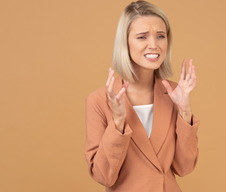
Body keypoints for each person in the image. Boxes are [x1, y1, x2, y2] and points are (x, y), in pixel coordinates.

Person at [85, 1, 200, 191]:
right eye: (142, 37)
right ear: (125, 42)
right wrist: (118, 123)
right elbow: (103, 175)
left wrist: (185, 112)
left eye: (160, 36)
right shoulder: (99, 100)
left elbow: (184, 167)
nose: (154, 45)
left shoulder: (174, 94)